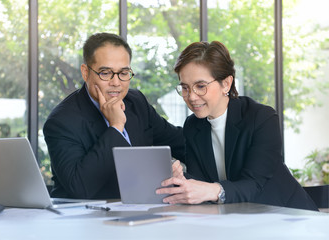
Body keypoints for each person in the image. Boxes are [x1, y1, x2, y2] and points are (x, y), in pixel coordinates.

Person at [156, 41, 318, 211]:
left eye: (200, 86)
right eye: (185, 88)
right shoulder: (193, 126)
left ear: (226, 83)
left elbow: (255, 184)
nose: (191, 97)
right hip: (238, 219)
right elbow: (202, 184)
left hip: (287, 216)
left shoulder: (262, 118)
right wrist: (182, 179)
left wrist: (213, 190)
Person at [43, 32, 185, 200]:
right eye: (105, 73)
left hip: (140, 210)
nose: (116, 82)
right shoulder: (61, 121)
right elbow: (79, 187)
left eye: (123, 73)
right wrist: (116, 126)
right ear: (85, 72)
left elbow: (182, 143)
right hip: (83, 219)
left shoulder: (136, 102)